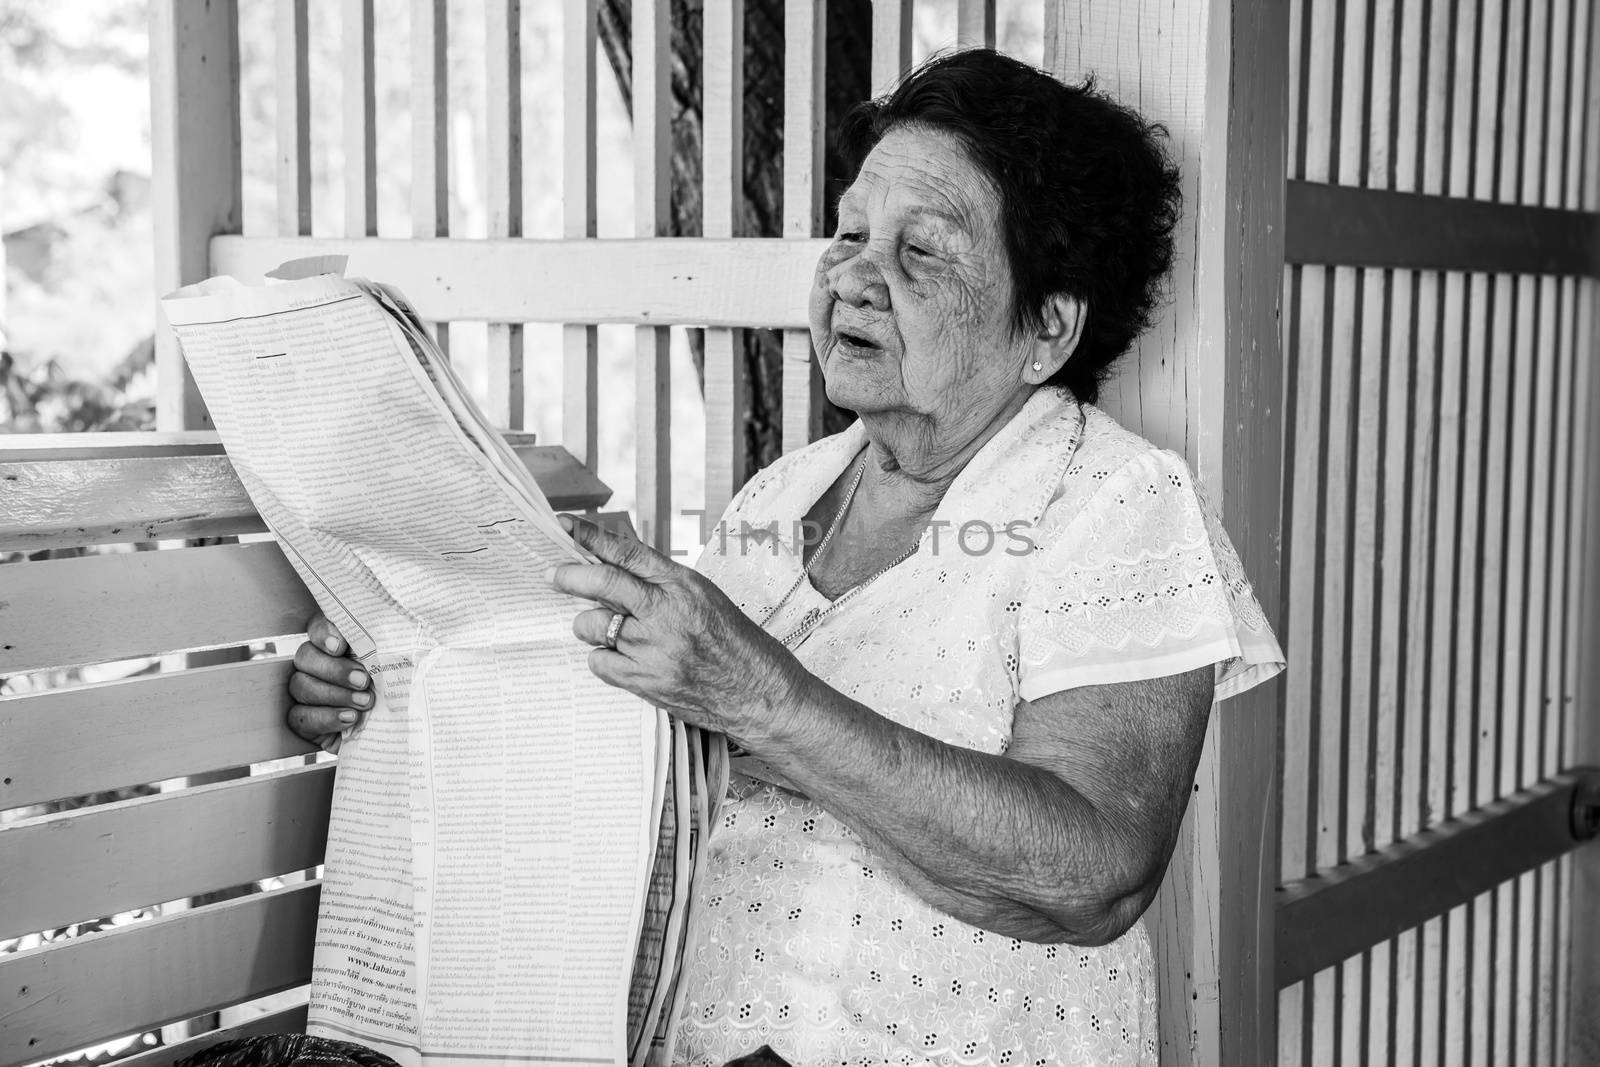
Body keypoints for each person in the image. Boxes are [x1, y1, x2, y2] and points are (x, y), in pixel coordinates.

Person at [287, 49, 1284, 1067]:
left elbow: (1094, 873)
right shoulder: (784, 494)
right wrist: (424, 654)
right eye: (850, 232)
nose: (853, 274)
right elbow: (668, 753)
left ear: (1047, 327)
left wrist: (759, 693)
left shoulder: (1115, 501)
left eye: (921, 252)